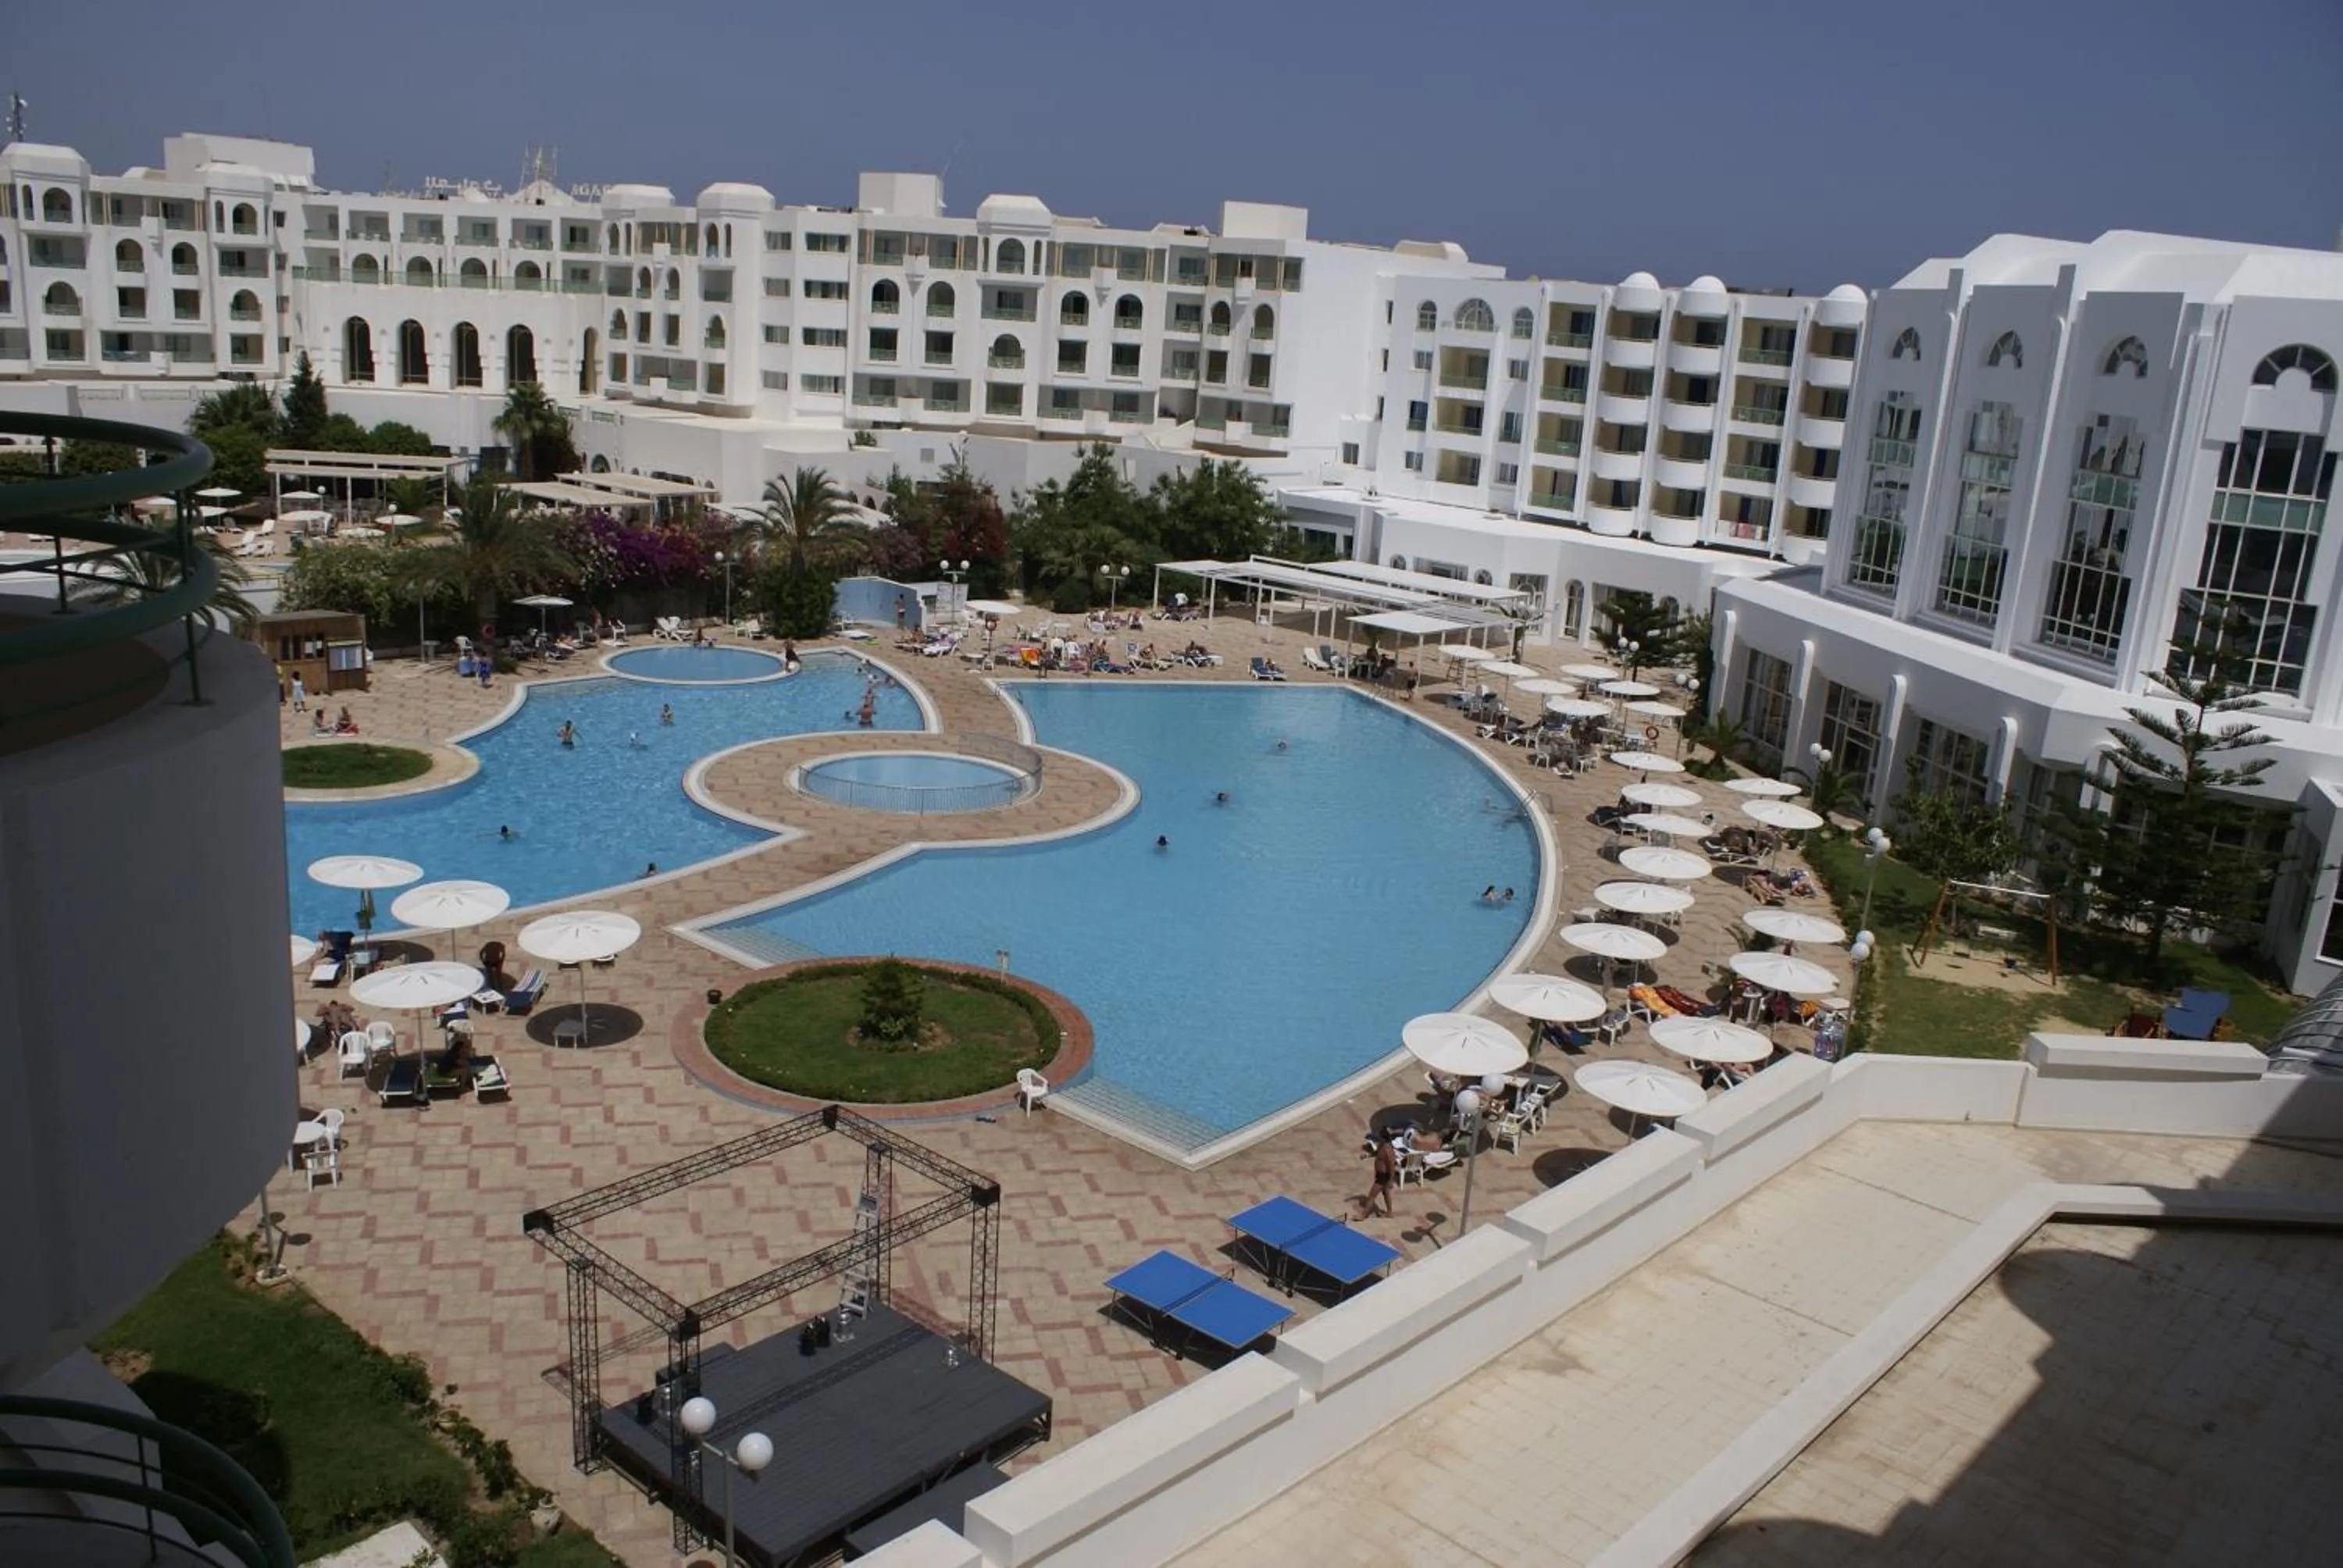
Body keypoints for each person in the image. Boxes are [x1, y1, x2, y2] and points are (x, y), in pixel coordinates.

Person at [1356, 1136, 1398, 1219]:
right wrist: (1367, 1155)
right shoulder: (1382, 1146)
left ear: (1385, 1139)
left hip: (1383, 1177)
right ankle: (1390, 1213)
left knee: (1372, 1196)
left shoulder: (1388, 1151)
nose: (1379, 1139)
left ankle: (1363, 1215)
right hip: (1380, 1175)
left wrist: (1390, 1181)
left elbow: (1391, 1167)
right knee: (1386, 1193)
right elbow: (1377, 1153)